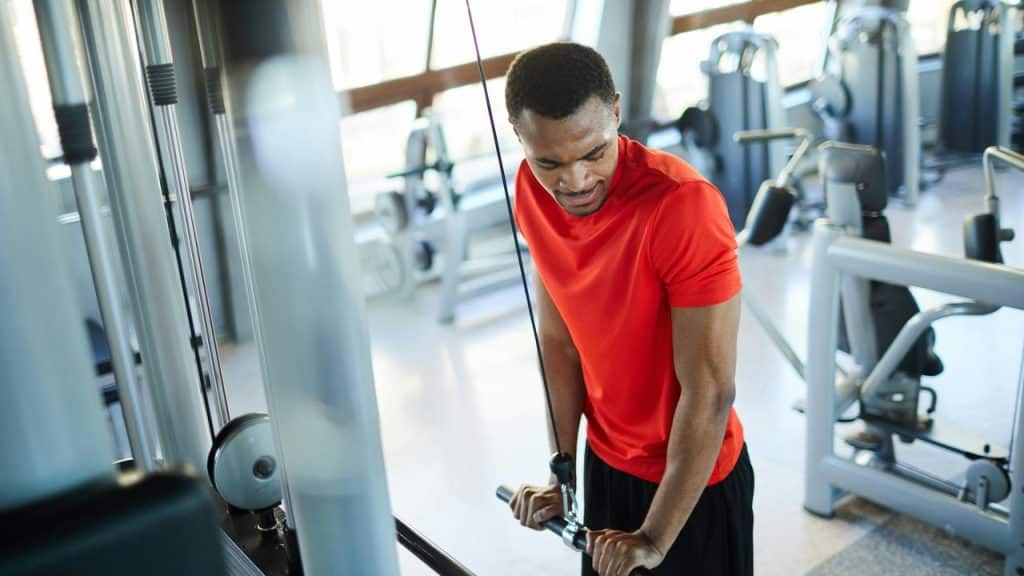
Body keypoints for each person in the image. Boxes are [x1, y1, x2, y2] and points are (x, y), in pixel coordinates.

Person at [504, 42, 754, 576]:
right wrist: (561, 473)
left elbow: (711, 390)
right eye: (550, 161)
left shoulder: (682, 206)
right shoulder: (530, 191)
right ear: (519, 137)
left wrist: (654, 537)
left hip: (691, 480)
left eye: (594, 152)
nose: (574, 181)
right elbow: (558, 343)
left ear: (616, 111)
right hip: (607, 463)